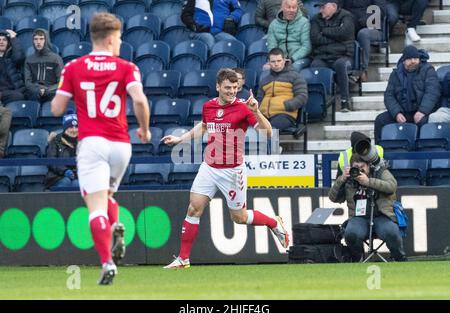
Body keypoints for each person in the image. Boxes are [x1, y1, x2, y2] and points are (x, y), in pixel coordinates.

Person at [51, 12, 151, 285]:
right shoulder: (127, 67)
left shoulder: (73, 67)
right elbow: (140, 101)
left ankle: (107, 262)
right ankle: (116, 226)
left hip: (92, 143)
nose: (120, 43)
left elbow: (57, 108)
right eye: (119, 38)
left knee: (94, 208)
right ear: (109, 39)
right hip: (121, 144)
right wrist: (144, 128)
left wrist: (74, 96)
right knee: (107, 196)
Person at [162, 68, 290, 269]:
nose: (232, 91)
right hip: (209, 167)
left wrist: (256, 111)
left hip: (232, 171)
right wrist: (181, 139)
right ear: (218, 87)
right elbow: (204, 127)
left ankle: (273, 223)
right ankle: (183, 259)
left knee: (239, 217)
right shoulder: (208, 106)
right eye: (228, 87)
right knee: (193, 208)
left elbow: (268, 133)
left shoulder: (244, 108)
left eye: (235, 88)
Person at [329, 153, 407, 262]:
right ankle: (357, 258)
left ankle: (399, 258)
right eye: (356, 168)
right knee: (351, 233)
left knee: (391, 232)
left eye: (362, 168)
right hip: (359, 217)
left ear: (368, 166)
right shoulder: (349, 180)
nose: (360, 171)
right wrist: (341, 179)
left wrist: (368, 182)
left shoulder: (380, 172)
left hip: (382, 215)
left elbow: (392, 186)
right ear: (351, 168)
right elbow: (333, 198)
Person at [374, 45, 441, 143]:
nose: (413, 61)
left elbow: (432, 92)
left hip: (422, 112)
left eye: (415, 58)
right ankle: (380, 152)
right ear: (404, 60)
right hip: (403, 113)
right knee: (380, 120)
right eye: (409, 59)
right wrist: (396, 113)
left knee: (425, 123)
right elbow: (389, 96)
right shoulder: (396, 74)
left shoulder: (428, 70)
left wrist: (422, 111)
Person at [310, 0, 355, 112]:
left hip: (342, 55)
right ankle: (320, 103)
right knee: (315, 65)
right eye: (319, 7)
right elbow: (315, 38)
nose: (320, 10)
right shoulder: (316, 19)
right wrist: (335, 37)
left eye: (323, 7)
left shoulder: (346, 16)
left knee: (341, 64)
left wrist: (323, 31)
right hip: (323, 57)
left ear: (333, 6)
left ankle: (345, 101)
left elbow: (344, 33)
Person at [257, 48, 308, 131]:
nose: (276, 64)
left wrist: (287, 106)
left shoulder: (295, 76)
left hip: (285, 114)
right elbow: (259, 99)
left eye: (279, 61)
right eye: (273, 61)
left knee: (270, 130)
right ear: (269, 63)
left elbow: (302, 96)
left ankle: (271, 143)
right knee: (250, 129)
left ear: (284, 61)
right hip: (264, 115)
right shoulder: (264, 80)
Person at [342, 0, 386, 82]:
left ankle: (362, 70)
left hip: (373, 28)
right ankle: (347, 71)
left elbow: (380, 9)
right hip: (352, 24)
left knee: (363, 34)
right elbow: (341, 9)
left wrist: (365, 19)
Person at [267, 0, 311, 72]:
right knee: (266, 70)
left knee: (293, 67)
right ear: (282, 7)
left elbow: (307, 47)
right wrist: (278, 61)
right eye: (288, 7)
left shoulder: (304, 22)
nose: (291, 10)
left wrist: (292, 59)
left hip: (300, 59)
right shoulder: (273, 24)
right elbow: (272, 46)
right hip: (280, 59)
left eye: (294, 7)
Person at [24, 29, 64, 103]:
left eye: (41, 39)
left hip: (51, 92)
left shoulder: (55, 58)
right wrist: (38, 89)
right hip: (35, 92)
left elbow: (61, 82)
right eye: (35, 39)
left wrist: (47, 90)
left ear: (47, 40)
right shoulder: (29, 60)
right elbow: (28, 83)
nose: (38, 42)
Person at [44, 113, 79, 190]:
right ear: (65, 128)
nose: (74, 130)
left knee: (77, 184)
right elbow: (51, 160)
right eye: (70, 127)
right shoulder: (56, 140)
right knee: (65, 182)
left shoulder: (82, 141)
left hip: (77, 176)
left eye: (76, 127)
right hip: (57, 176)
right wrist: (64, 171)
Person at [0, 29, 26, 105]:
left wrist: (13, 38)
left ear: (8, 43)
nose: (1, 42)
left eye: (4, 40)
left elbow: (19, 56)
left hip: (11, 93)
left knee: (18, 96)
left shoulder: (11, 58)